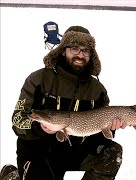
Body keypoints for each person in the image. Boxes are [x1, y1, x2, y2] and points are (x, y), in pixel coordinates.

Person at [0, 26, 126, 180]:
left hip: (75, 151)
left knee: (112, 153)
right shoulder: (39, 80)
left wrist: (110, 128)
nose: (80, 55)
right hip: (39, 150)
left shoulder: (97, 90)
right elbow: (17, 120)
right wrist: (39, 128)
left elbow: (99, 131)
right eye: (74, 48)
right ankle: (11, 176)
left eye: (86, 51)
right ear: (63, 50)